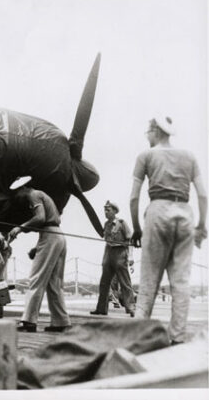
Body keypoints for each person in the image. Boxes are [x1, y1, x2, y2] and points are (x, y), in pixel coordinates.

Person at [130, 116, 207, 344]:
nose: (147, 135)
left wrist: (136, 228)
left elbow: (134, 197)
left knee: (149, 281)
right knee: (181, 282)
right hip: (185, 213)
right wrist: (201, 226)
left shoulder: (146, 156)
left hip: (158, 210)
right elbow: (203, 194)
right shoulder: (189, 156)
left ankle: (138, 338)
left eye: (148, 131)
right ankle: (178, 339)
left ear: (155, 130)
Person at [8, 176, 71, 332]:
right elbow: (48, 222)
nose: (17, 197)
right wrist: (37, 247)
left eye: (17, 193)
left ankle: (28, 321)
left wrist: (19, 228)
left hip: (50, 236)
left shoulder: (33, 195)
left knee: (36, 278)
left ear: (23, 189)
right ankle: (61, 322)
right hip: (58, 236)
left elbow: (41, 218)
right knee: (54, 282)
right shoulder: (42, 195)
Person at [90, 200, 136, 317]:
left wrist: (130, 257)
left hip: (120, 252)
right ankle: (101, 309)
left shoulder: (122, 223)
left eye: (108, 210)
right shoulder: (106, 225)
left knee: (125, 282)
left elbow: (129, 240)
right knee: (104, 282)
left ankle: (131, 308)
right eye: (105, 210)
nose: (105, 212)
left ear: (115, 211)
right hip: (108, 252)